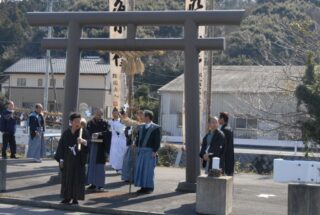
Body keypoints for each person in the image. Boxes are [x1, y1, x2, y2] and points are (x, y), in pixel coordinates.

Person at [54, 112, 88, 205]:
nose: (77, 123)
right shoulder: (66, 133)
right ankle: (67, 197)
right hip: (68, 160)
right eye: (76, 121)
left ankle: (75, 198)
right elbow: (61, 147)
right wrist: (61, 159)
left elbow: (89, 144)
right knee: (67, 178)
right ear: (71, 122)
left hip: (78, 160)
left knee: (77, 179)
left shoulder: (83, 132)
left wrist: (84, 141)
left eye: (79, 121)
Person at [134, 110, 161, 194]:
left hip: (150, 152)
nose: (142, 117)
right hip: (141, 151)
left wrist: (155, 151)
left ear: (148, 117)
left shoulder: (156, 127)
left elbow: (157, 141)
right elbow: (138, 138)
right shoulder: (141, 127)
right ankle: (142, 187)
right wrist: (135, 144)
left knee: (148, 170)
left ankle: (149, 187)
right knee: (141, 169)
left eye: (144, 116)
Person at [86, 109, 111, 192]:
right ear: (94, 114)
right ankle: (92, 183)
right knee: (91, 164)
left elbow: (108, 133)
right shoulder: (90, 123)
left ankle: (100, 184)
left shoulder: (105, 123)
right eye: (97, 114)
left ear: (102, 115)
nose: (98, 116)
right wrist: (91, 137)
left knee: (100, 166)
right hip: (92, 146)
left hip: (101, 147)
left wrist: (100, 134)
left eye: (100, 114)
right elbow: (87, 133)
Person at [121, 110, 145, 182]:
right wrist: (124, 117)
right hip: (132, 144)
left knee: (136, 163)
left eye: (141, 115)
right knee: (128, 161)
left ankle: (135, 177)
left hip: (140, 146)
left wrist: (126, 118)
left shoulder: (143, 124)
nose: (139, 116)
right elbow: (127, 122)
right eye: (138, 114)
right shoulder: (136, 123)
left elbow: (130, 122)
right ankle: (128, 177)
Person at [108, 108, 127, 173]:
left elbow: (124, 127)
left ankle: (121, 168)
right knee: (114, 154)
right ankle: (116, 167)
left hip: (121, 139)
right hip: (114, 140)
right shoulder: (110, 122)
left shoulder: (121, 121)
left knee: (121, 154)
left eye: (116, 112)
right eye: (113, 112)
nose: (115, 114)